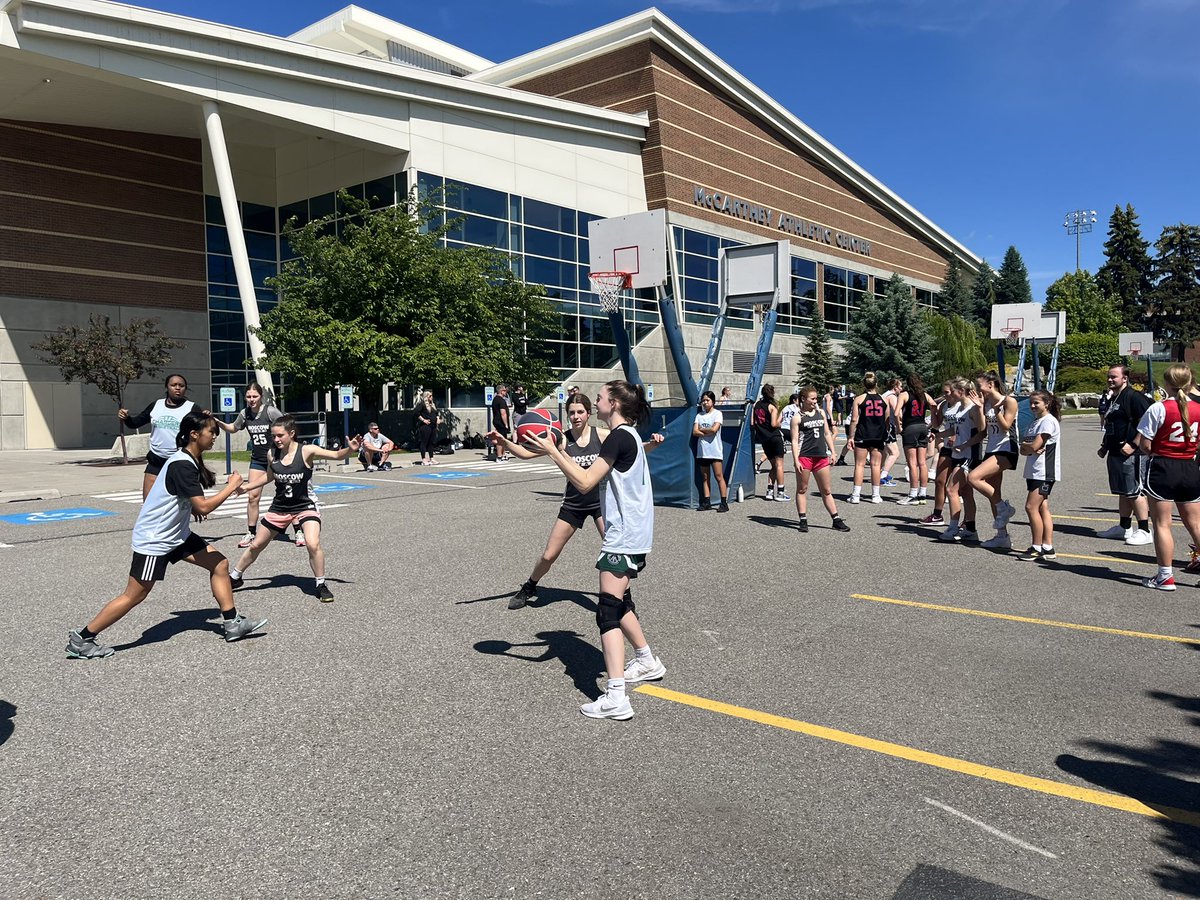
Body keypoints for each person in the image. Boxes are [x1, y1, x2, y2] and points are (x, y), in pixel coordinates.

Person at [65, 410, 267, 658]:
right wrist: (231, 488)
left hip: (177, 535)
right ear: (194, 434)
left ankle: (232, 622)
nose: (214, 436)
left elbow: (186, 499)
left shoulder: (188, 458)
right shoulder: (183, 464)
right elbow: (203, 506)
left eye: (215, 432)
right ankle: (83, 638)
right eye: (210, 432)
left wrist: (192, 508)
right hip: (156, 539)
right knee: (135, 594)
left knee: (220, 564)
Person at [529, 381, 666, 721]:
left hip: (624, 535)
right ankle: (647, 659)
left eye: (602, 396)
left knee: (606, 611)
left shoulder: (619, 437)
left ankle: (616, 696)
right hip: (632, 533)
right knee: (618, 604)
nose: (598, 399)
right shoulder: (627, 436)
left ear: (615, 403)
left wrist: (554, 452)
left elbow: (586, 481)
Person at [495, 395, 665, 610]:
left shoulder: (602, 436)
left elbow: (634, 447)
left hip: (600, 504)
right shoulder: (562, 440)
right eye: (572, 413)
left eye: (580, 412)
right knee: (549, 554)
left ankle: (625, 598)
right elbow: (527, 454)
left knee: (617, 554)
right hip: (574, 503)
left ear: (588, 414)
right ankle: (530, 586)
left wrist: (652, 443)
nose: (576, 416)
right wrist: (505, 442)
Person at [229, 415, 362, 602]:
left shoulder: (307, 451)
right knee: (257, 544)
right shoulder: (272, 453)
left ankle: (321, 584)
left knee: (312, 543)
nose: (276, 440)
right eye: (273, 436)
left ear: (291, 434)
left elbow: (335, 455)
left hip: (305, 505)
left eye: (280, 436)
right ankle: (235, 577)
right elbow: (268, 476)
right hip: (280, 507)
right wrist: (245, 488)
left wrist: (350, 449)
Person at [1135, 364, 1200, 591]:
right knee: (1195, 523)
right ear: (1190, 382)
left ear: (1167, 384)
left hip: (1163, 467)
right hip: (1189, 467)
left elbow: (1145, 444)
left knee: (1162, 523)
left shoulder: (1158, 408)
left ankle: (1165, 576)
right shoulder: (1199, 409)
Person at [215, 382, 284, 549]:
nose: (252, 400)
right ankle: (251, 532)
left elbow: (286, 428)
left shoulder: (270, 411)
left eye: (255, 396)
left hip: (277, 458)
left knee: (287, 493)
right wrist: (218, 422)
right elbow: (233, 428)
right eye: (249, 396)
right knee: (253, 496)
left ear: (261, 397)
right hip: (258, 459)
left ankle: (298, 529)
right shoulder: (245, 414)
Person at [1097, 365, 1153, 546]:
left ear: (1125, 378)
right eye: (1109, 377)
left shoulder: (1134, 398)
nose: (1110, 380)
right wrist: (1105, 446)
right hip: (1115, 452)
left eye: (1114, 377)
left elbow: (1148, 421)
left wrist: (1134, 443)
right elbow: (1113, 423)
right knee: (1123, 491)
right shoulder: (1114, 398)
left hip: (1133, 454)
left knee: (1134, 491)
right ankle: (1124, 527)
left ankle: (1144, 530)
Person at [118, 373, 198, 500]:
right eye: (173, 385)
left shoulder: (192, 408)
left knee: (179, 504)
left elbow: (203, 431)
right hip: (156, 460)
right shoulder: (156, 405)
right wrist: (127, 418)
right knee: (148, 503)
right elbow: (135, 423)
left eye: (181, 385)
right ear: (167, 387)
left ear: (185, 388)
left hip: (178, 461)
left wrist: (206, 417)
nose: (177, 388)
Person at [968, 372, 1021, 550]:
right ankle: (1002, 536)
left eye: (978, 384)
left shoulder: (1009, 401)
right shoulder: (987, 402)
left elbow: (1006, 426)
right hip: (991, 448)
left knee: (974, 477)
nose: (976, 388)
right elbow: (983, 431)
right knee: (993, 493)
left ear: (990, 384)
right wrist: (980, 408)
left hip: (1007, 448)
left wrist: (997, 410)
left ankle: (1003, 507)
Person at [790, 386, 850, 533]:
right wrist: (796, 460)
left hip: (821, 456)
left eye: (816, 398)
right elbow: (794, 440)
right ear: (803, 399)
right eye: (812, 398)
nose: (815, 401)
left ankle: (836, 519)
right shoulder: (797, 417)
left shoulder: (821, 413)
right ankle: (803, 519)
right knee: (802, 489)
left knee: (827, 490)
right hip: (805, 456)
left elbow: (827, 434)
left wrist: (833, 452)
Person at [937, 377, 986, 543]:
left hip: (970, 455)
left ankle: (953, 527)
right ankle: (971, 529)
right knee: (965, 492)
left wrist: (965, 444)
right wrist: (938, 435)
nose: (950, 393)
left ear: (961, 392)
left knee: (951, 489)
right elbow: (955, 428)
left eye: (954, 390)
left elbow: (982, 431)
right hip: (958, 453)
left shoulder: (972, 408)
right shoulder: (959, 408)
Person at [1017, 390, 1061, 562]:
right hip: (1033, 470)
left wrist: (1030, 447)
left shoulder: (1048, 422)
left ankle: (1036, 547)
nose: (1033, 406)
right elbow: (1024, 448)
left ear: (1047, 403)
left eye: (1037, 403)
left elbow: (1034, 446)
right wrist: (1029, 446)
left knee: (1030, 507)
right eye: (1031, 403)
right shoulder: (1035, 423)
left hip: (1044, 472)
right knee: (1042, 508)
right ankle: (1048, 547)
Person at [919, 382, 958, 526]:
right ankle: (937, 515)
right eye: (944, 393)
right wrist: (933, 410)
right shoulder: (944, 406)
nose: (945, 395)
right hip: (948, 446)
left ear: (955, 392)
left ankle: (967, 521)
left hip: (962, 447)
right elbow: (937, 424)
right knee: (939, 480)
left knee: (963, 488)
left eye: (947, 392)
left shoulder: (963, 405)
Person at [847, 373, 888, 504]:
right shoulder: (884, 399)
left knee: (859, 464)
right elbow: (887, 419)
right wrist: (884, 431)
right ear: (876, 384)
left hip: (863, 433)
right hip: (878, 435)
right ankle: (875, 495)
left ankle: (856, 495)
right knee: (876, 465)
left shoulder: (859, 399)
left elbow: (854, 419)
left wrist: (851, 436)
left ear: (864, 384)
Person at [895, 372, 935, 506]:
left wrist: (899, 428)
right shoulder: (924, 395)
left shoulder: (905, 394)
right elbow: (934, 406)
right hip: (922, 427)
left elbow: (896, 412)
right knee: (922, 463)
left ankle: (913, 494)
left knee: (912, 463)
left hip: (910, 428)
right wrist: (932, 424)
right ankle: (922, 493)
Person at [693, 390, 729, 512]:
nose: (705, 402)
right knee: (705, 477)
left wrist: (702, 430)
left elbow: (714, 430)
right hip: (703, 451)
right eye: (703, 400)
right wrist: (705, 431)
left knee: (719, 476)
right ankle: (706, 502)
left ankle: (724, 503)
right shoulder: (699, 416)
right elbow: (694, 432)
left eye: (707, 400)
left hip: (715, 450)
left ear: (712, 401)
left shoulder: (718, 414)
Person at [753, 384, 788, 501]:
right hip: (774, 436)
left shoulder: (756, 406)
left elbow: (753, 423)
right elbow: (774, 424)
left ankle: (769, 490)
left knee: (773, 465)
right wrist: (780, 422)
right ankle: (781, 492)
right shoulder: (772, 406)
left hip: (763, 438)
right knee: (779, 465)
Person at [879, 377, 903, 486]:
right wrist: (901, 422)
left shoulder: (884, 395)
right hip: (888, 425)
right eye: (900, 386)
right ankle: (883, 475)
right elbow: (897, 411)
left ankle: (878, 473)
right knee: (895, 453)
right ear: (895, 387)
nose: (901, 389)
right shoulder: (892, 397)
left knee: (884, 452)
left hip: (880, 425)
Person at [414, 392, 441, 466]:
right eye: (430, 396)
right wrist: (423, 420)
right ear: (426, 397)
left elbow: (436, 413)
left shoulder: (432, 405)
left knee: (431, 442)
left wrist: (438, 419)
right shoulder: (422, 404)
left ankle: (431, 458)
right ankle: (423, 459)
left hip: (433, 425)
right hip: (425, 426)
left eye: (432, 396)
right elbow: (416, 412)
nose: (431, 397)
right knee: (424, 442)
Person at [491, 384, 511, 461]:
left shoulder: (495, 399)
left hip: (497, 421)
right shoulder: (501, 400)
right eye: (505, 390)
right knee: (500, 439)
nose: (506, 392)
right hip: (500, 422)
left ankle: (503, 455)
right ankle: (499, 456)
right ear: (501, 391)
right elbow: (503, 413)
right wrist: (506, 424)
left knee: (503, 439)